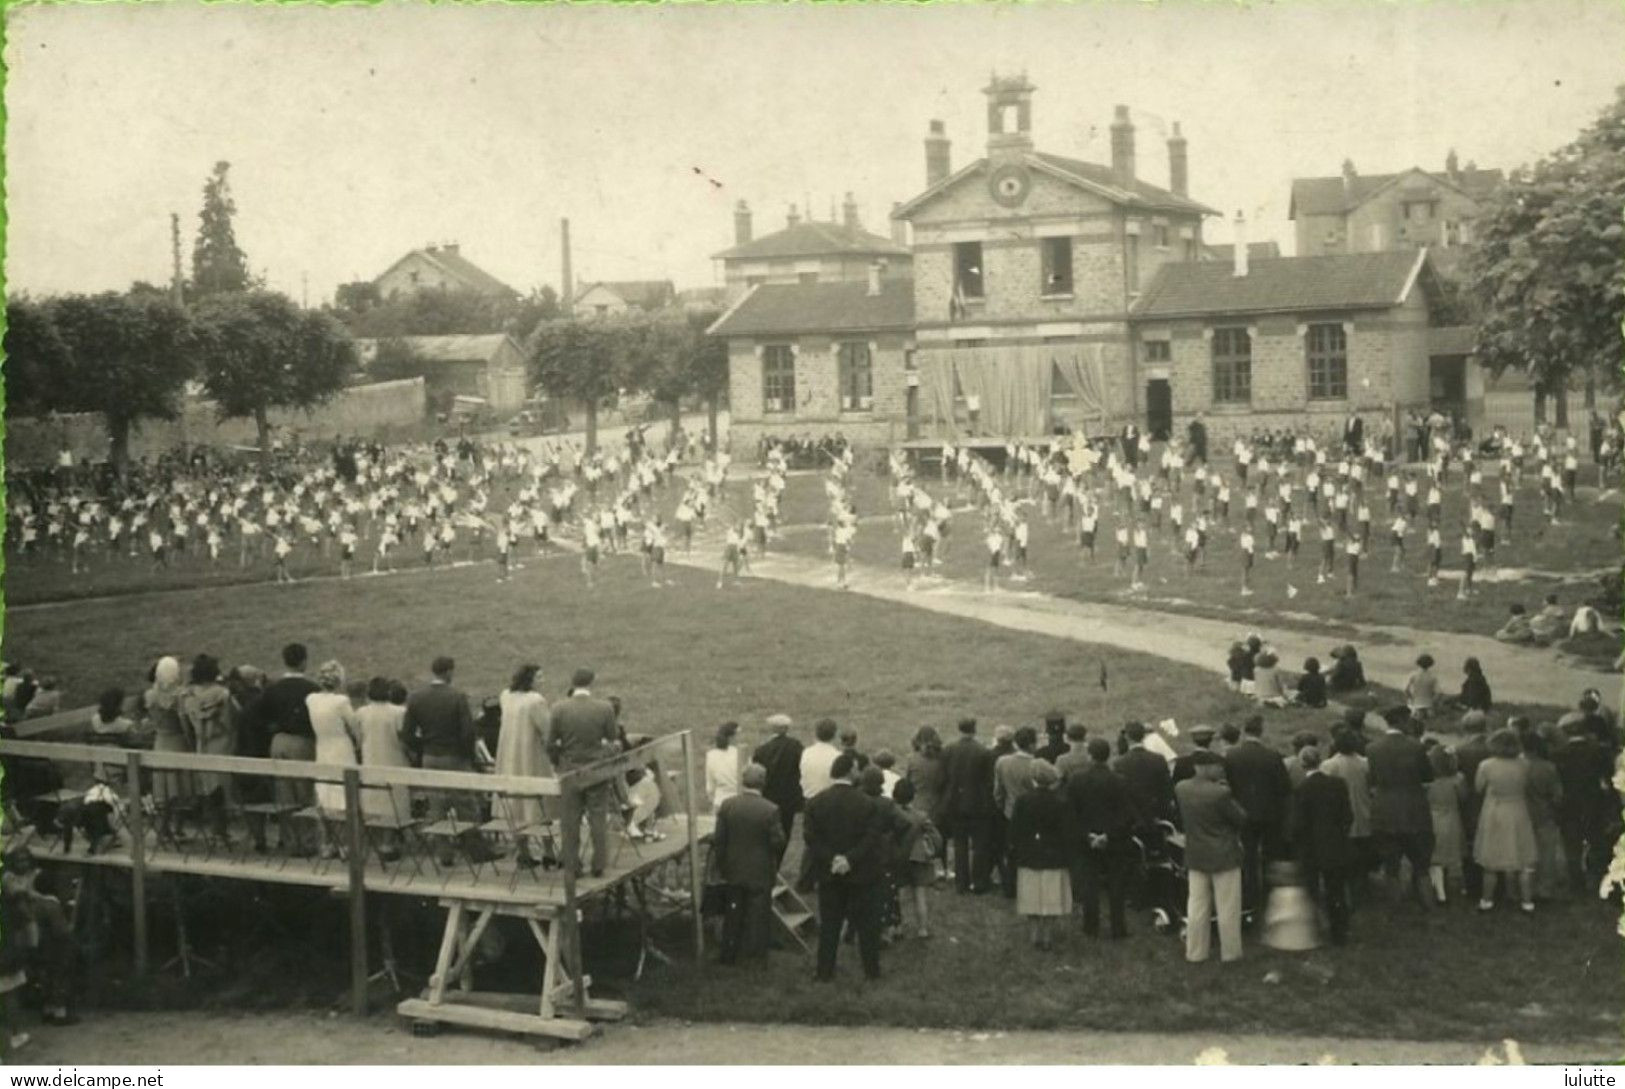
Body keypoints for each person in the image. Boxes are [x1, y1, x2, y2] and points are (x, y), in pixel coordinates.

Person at [803, 753, 883, 982]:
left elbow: (811, 838)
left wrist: (833, 859)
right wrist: (850, 859)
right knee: (867, 926)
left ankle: (824, 971)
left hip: (829, 873)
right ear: (850, 771)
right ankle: (871, 971)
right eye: (857, 769)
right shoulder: (867, 803)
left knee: (829, 925)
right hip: (861, 874)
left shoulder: (815, 803)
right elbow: (871, 837)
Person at [404, 656, 481, 867]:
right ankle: (474, 850)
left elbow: (407, 733)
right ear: (448, 672)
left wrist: (423, 749)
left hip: (430, 756)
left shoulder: (416, 697)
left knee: (436, 806)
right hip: (454, 756)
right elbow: (467, 732)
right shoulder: (457, 697)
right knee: (466, 804)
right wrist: (468, 756)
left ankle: (444, 854)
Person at [1175, 751, 1248, 964]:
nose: (1220, 769)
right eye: (1217, 766)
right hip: (1224, 855)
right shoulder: (1221, 793)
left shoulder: (1181, 788)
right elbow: (1241, 819)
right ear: (1205, 767)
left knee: (1197, 905)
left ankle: (1196, 952)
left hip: (1196, 854)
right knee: (1228, 907)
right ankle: (1231, 953)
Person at [547, 668, 619, 877]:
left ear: (573, 683)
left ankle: (573, 865)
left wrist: (557, 762)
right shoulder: (604, 708)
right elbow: (612, 737)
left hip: (569, 770)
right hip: (595, 770)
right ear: (591, 683)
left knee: (570, 820)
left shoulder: (559, 708)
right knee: (598, 818)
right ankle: (598, 864)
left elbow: (551, 742)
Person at [712, 764, 787, 966]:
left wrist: (722, 863)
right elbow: (778, 842)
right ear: (763, 782)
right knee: (758, 913)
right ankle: (756, 956)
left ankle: (728, 953)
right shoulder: (770, 809)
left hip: (733, 866)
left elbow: (719, 840)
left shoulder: (727, 805)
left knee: (733, 911)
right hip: (760, 869)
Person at [1222, 717, 1291, 923]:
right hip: (1270, 815)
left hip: (1244, 815)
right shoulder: (1273, 756)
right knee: (1271, 855)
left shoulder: (1232, 756)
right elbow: (1284, 788)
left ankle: (1250, 897)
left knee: (1248, 856)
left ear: (1244, 731)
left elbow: (1229, 787)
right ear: (1261, 732)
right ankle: (1271, 896)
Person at [256, 643, 321, 853]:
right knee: (304, 793)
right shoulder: (312, 689)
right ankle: (308, 841)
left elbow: (262, 716)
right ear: (303, 661)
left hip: (279, 740)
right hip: (302, 741)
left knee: (284, 793)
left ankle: (289, 840)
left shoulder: (273, 688)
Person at [1367, 711, 1436, 906]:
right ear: (1402, 721)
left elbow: (1372, 780)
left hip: (1385, 810)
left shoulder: (1372, 748)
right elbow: (1428, 776)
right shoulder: (1417, 747)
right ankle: (1428, 904)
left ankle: (1395, 906)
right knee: (1422, 864)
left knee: (1391, 865)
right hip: (1414, 809)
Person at [1067, 737, 1133, 940]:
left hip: (1086, 839)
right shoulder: (1119, 781)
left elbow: (1071, 813)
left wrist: (1088, 835)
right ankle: (1118, 928)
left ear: (1090, 755)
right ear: (1109, 755)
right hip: (1114, 840)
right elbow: (1126, 815)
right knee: (1116, 884)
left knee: (1089, 883)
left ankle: (1090, 926)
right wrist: (1107, 835)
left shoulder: (1077, 780)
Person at [1290, 746, 1354, 945]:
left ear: (1302, 764)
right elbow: (1348, 816)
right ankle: (1339, 933)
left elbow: (1298, 824)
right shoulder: (1338, 784)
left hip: (1311, 848)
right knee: (1336, 890)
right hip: (1335, 843)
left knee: (1312, 890)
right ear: (1320, 761)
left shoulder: (1301, 789)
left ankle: (1314, 931)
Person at [1008, 760, 1073, 950]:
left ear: (1033, 778)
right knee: (1052, 896)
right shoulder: (1061, 802)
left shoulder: (1023, 800)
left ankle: (1034, 933)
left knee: (1031, 896)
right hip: (1054, 856)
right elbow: (1068, 832)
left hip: (1030, 855)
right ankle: (1047, 936)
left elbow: (1014, 830)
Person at [1473, 728, 1539, 913]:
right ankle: (1527, 902)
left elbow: (1478, 788)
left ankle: (1487, 901)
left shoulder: (1486, 765)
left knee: (1491, 860)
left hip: (1495, 810)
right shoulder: (1525, 764)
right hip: (1518, 809)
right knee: (1524, 857)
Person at [493, 663, 554, 853]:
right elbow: (547, 729)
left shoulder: (506, 696)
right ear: (530, 679)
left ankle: (523, 852)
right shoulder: (535, 700)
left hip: (509, 755)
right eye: (539, 677)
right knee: (541, 802)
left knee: (516, 805)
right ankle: (549, 852)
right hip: (530, 755)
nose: (542, 681)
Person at [178, 654, 233, 841]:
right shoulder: (222, 694)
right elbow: (228, 722)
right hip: (221, 742)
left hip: (201, 743)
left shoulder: (188, 695)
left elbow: (185, 725)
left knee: (209, 789)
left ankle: (215, 831)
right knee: (223, 789)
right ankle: (221, 831)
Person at [306, 660, 360, 843]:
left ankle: (327, 842)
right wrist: (358, 743)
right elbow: (355, 727)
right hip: (341, 748)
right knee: (342, 794)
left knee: (324, 792)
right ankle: (345, 842)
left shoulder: (311, 699)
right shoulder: (341, 701)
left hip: (322, 747)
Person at [941, 717, 996, 894]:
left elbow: (945, 777)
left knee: (959, 844)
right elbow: (989, 781)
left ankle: (961, 883)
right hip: (978, 804)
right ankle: (979, 882)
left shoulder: (949, 749)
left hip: (955, 802)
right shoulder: (983, 752)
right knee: (980, 845)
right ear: (974, 730)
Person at [357, 676, 412, 834]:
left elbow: (358, 738)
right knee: (393, 801)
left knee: (377, 800)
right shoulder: (399, 712)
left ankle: (382, 838)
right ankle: (390, 840)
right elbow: (404, 740)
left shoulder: (362, 713)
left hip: (372, 759)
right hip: (393, 760)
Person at [145, 656, 191, 844]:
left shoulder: (150, 695)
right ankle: (177, 828)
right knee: (178, 788)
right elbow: (184, 722)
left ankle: (162, 829)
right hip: (177, 741)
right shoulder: (180, 696)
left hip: (160, 741)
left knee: (162, 790)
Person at [992, 725, 1038, 898]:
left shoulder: (1002, 762)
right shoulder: (1035, 765)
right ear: (1032, 745)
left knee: (1012, 852)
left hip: (1010, 812)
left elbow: (998, 791)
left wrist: (1001, 806)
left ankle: (1010, 887)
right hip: (1032, 814)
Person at [1521, 730, 1566, 901]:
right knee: (1546, 853)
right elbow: (1557, 795)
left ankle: (1524, 887)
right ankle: (1544, 889)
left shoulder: (1519, 766)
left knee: (1524, 852)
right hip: (1544, 813)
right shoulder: (1548, 767)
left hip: (1522, 813)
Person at [890, 779, 938, 937]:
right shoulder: (921, 816)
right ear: (913, 796)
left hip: (897, 857)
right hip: (918, 857)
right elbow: (936, 837)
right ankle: (922, 929)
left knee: (896, 894)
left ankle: (897, 927)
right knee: (919, 894)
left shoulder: (892, 814)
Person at [752, 713, 805, 842]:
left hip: (769, 796)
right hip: (791, 798)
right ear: (786, 729)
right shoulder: (796, 747)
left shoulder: (761, 750)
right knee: (787, 830)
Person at [1424, 745, 1466, 905]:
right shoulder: (1458, 779)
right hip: (1452, 818)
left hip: (1433, 818)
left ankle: (1441, 892)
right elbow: (1463, 798)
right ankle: (1454, 885)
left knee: (1435, 857)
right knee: (1450, 851)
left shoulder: (1427, 781)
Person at [799, 719, 842, 804]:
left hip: (810, 798)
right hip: (830, 801)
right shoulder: (838, 756)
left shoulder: (806, 753)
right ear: (834, 735)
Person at [705, 721, 743, 810]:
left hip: (720, 800)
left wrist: (711, 797)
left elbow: (710, 783)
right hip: (738, 800)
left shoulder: (711, 755)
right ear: (731, 738)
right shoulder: (739, 754)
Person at [1404, 654, 1439, 720]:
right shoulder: (1433, 677)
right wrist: (1433, 702)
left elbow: (1406, 690)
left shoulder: (1413, 674)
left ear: (1418, 663)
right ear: (1430, 664)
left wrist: (1411, 699)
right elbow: (1437, 693)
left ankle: (1416, 713)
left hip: (1415, 703)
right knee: (1429, 716)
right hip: (1428, 704)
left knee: (1415, 714)